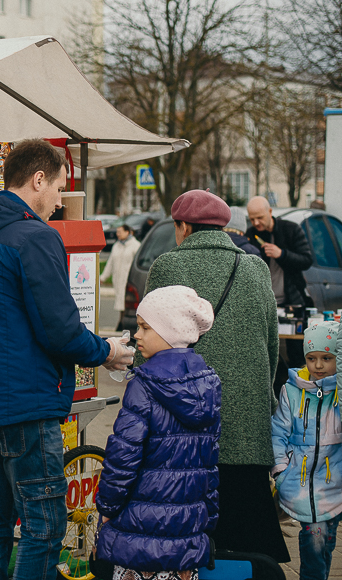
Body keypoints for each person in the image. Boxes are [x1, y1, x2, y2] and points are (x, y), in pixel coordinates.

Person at [0, 139, 134, 580]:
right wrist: (107, 351)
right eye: (57, 187)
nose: (58, 200)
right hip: (26, 406)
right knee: (44, 527)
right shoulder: (35, 236)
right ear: (37, 180)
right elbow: (60, 330)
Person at [139, 189, 288, 562]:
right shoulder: (255, 267)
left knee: (191, 533)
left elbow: (151, 341)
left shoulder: (167, 266)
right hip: (247, 423)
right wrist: (263, 399)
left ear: (183, 226)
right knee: (248, 540)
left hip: (185, 424)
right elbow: (272, 346)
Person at [96, 285, 220, 580]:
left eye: (145, 327)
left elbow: (123, 456)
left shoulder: (144, 385)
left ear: (169, 332)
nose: (136, 334)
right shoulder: (209, 385)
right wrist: (208, 516)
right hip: (186, 531)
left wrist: (107, 506)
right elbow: (209, 463)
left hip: (140, 531)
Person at [272, 321, 342, 580]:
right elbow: (278, 432)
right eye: (311, 358)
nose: (319, 366)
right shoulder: (292, 391)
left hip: (334, 484)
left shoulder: (340, 394)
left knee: (326, 538)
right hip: (300, 483)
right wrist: (281, 469)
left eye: (327, 357)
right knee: (315, 536)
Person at [246, 195, 314, 308]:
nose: (256, 223)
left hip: (291, 300)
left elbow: (306, 260)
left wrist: (282, 254)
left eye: (260, 217)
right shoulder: (250, 235)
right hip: (262, 303)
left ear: (270, 212)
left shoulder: (291, 229)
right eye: (252, 219)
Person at [100, 224, 140, 331]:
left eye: (120, 232)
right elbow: (110, 263)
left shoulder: (135, 246)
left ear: (127, 232)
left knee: (127, 304)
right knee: (120, 304)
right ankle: (122, 323)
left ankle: (122, 325)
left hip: (129, 281)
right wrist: (103, 277)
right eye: (117, 232)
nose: (118, 234)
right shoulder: (116, 246)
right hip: (118, 280)